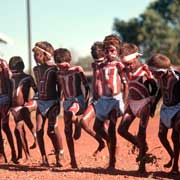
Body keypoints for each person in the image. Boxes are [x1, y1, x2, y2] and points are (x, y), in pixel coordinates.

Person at [118, 43, 157, 173]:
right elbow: (126, 87)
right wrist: (125, 102)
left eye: (130, 63)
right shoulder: (124, 70)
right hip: (132, 103)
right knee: (122, 130)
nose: (128, 67)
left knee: (142, 133)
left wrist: (152, 102)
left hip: (144, 103)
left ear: (136, 58)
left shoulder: (144, 69)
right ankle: (142, 146)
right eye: (126, 64)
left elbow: (154, 87)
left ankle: (142, 166)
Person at [93, 36, 128, 169]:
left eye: (112, 51)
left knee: (112, 128)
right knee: (97, 127)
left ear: (117, 52)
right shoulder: (101, 65)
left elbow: (126, 84)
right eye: (107, 51)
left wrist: (124, 102)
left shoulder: (119, 65)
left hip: (115, 99)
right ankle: (111, 143)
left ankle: (112, 161)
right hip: (104, 99)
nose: (109, 54)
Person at [54, 48, 90, 168]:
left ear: (68, 61)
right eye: (59, 67)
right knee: (67, 131)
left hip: (77, 100)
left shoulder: (77, 70)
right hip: (67, 102)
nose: (62, 69)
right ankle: (73, 160)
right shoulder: (58, 73)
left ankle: (78, 123)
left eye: (64, 66)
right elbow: (60, 89)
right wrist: (59, 101)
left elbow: (87, 86)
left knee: (70, 113)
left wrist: (85, 101)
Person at [147, 53, 180, 175]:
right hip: (166, 108)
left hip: (177, 109)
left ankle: (176, 166)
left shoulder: (176, 78)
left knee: (175, 137)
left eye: (154, 72)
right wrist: (154, 104)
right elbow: (161, 91)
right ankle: (172, 156)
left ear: (161, 71)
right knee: (161, 135)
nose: (152, 75)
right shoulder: (160, 78)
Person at [32, 41, 64, 167]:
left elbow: (60, 86)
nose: (35, 57)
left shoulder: (54, 69)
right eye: (34, 55)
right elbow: (39, 87)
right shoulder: (36, 69)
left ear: (46, 55)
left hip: (53, 103)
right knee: (39, 130)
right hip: (41, 103)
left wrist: (59, 101)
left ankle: (59, 154)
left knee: (52, 130)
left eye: (37, 55)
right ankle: (44, 158)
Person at [78, 41, 106, 155]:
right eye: (92, 51)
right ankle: (101, 142)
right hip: (95, 101)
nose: (94, 52)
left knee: (105, 129)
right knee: (83, 122)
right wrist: (87, 98)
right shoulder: (93, 65)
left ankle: (112, 159)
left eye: (97, 50)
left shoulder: (109, 64)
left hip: (107, 101)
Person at [8, 56, 37, 164]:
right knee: (18, 130)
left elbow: (36, 91)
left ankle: (28, 155)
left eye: (15, 69)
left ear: (21, 68)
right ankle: (22, 155)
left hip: (24, 106)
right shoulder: (11, 80)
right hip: (14, 108)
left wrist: (32, 102)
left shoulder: (28, 78)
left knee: (21, 127)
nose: (14, 72)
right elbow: (9, 93)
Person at [0, 58, 15, 163]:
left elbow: (10, 82)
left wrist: (10, 101)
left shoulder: (3, 64)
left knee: (5, 127)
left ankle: (13, 153)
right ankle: (2, 154)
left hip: (5, 98)